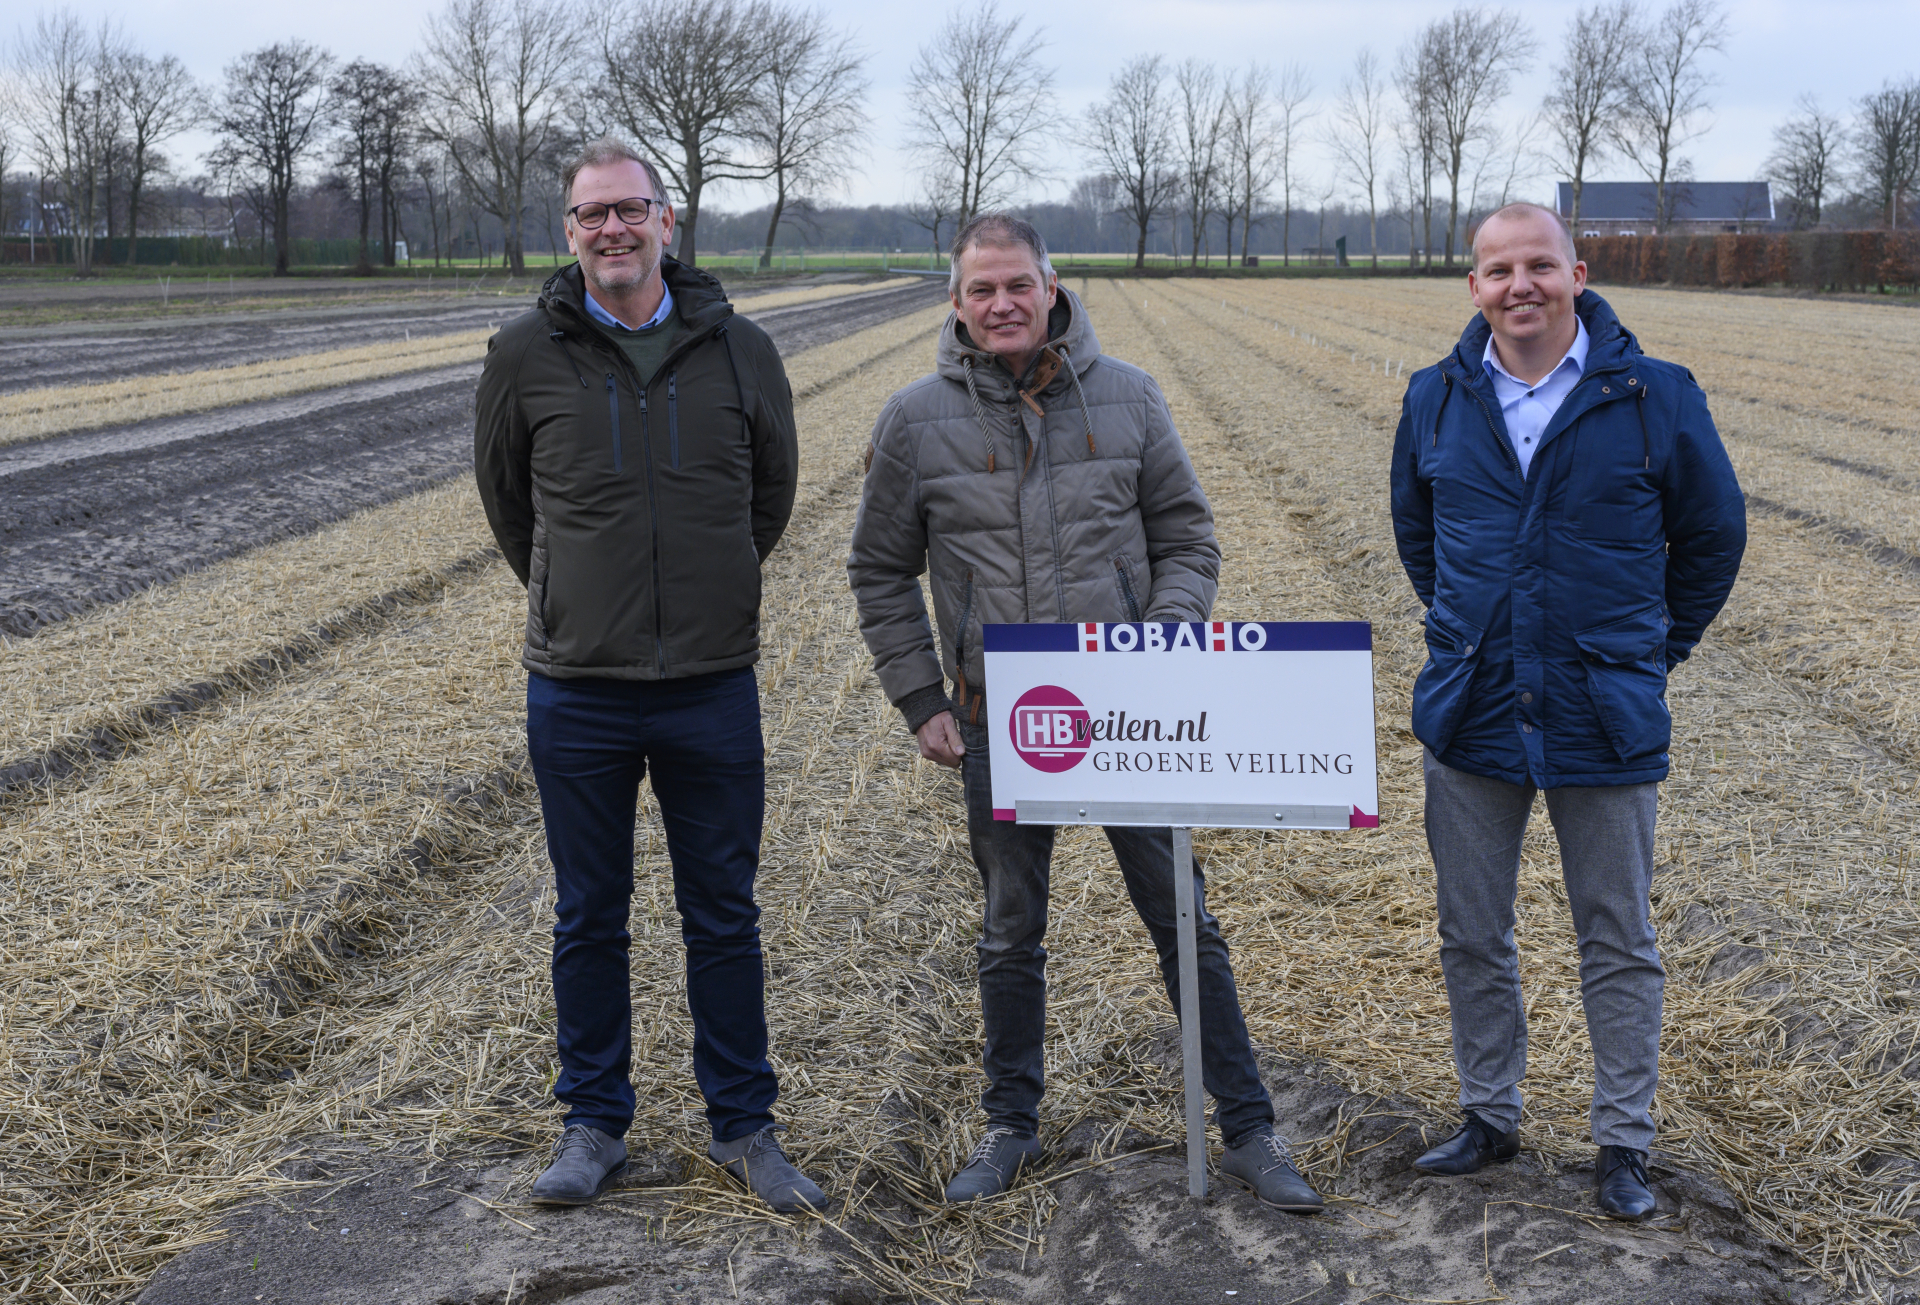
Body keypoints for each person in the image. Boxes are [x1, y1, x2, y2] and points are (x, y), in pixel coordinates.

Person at [846, 213, 1322, 1213]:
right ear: (956, 301)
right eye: (981, 290)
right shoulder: (913, 420)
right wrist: (920, 697)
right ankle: (1010, 1125)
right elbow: (880, 568)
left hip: (1130, 715)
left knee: (1183, 919)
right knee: (1010, 932)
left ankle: (1249, 1128)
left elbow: (1189, 540)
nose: (1002, 304)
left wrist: (1163, 644)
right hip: (998, 721)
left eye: (1018, 284)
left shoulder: (1130, 398)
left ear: (1051, 285)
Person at [474, 137, 821, 1213]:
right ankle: (594, 1124)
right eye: (590, 216)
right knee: (589, 913)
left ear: (667, 222)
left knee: (724, 912)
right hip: (576, 687)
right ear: (568, 233)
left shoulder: (740, 350)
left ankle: (745, 1127)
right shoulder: (523, 353)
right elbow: (509, 507)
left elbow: (770, 496)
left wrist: (703, 594)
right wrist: (586, 598)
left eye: (630, 211)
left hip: (711, 685)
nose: (611, 231)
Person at [1389, 202, 1746, 1220]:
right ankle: (1489, 1114)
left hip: (1605, 710)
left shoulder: (1655, 396)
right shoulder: (1434, 399)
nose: (1521, 286)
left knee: (1617, 934)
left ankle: (1622, 1144)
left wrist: (1648, 653)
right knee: (1472, 928)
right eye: (1499, 270)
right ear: (1474, 287)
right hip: (1474, 708)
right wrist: (1474, 637)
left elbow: (1713, 539)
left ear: (1578, 273)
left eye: (1540, 265)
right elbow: (1423, 542)